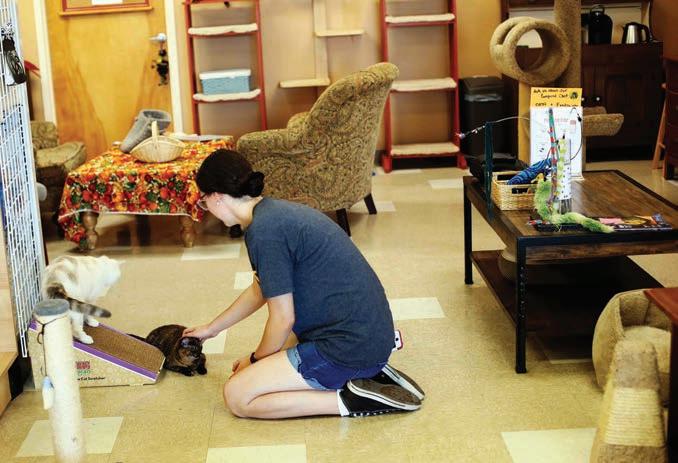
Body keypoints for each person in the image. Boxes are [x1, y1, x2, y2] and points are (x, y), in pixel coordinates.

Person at [184, 149, 425, 419]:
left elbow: (283, 319)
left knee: (237, 396)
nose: (206, 208)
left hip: (347, 347)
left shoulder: (264, 232)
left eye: (203, 201)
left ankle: (355, 398)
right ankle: (365, 373)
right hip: (366, 335)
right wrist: (211, 329)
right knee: (271, 355)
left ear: (217, 196)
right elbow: (259, 289)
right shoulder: (272, 213)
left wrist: (254, 361)